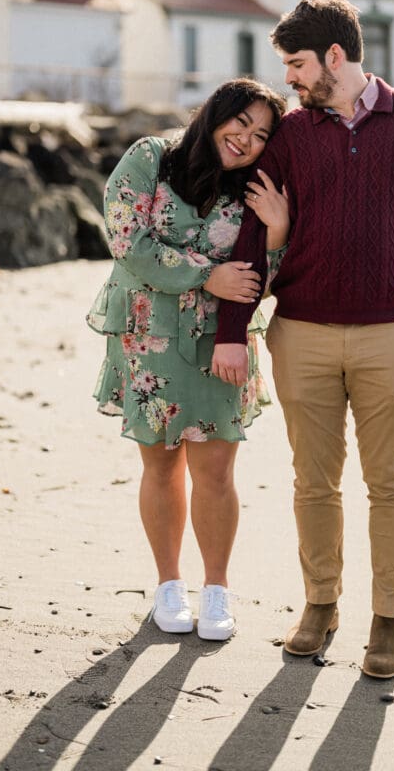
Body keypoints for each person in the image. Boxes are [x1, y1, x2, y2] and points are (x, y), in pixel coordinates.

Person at [212, 0, 394, 677]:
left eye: (296, 65)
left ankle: (387, 622)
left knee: (390, 481)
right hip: (300, 332)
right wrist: (233, 331)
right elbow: (251, 229)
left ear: (335, 55)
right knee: (312, 482)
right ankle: (319, 605)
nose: (290, 80)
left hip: (391, 333)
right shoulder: (293, 136)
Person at [87, 79, 288, 642]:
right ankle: (168, 585)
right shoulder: (152, 158)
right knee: (160, 464)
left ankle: (217, 590)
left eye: (260, 135)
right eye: (239, 124)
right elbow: (128, 239)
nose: (245, 140)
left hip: (218, 339)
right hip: (146, 336)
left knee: (217, 470)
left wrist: (278, 230)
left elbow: (265, 277)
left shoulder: (254, 189)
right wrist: (207, 274)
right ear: (215, 114)